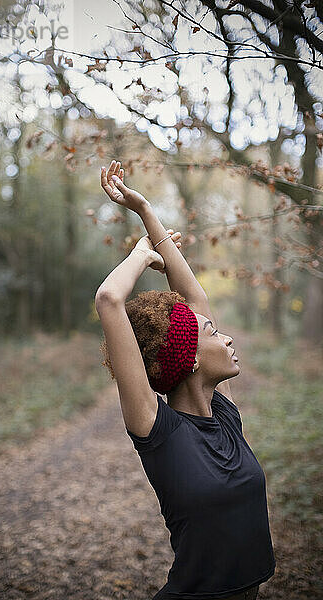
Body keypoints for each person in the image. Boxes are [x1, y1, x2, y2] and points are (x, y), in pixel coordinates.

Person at [95, 160, 276, 600]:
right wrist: (142, 252)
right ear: (190, 358)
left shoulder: (224, 414)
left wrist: (145, 209)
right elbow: (109, 298)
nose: (226, 334)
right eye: (213, 332)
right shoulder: (158, 430)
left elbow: (195, 298)